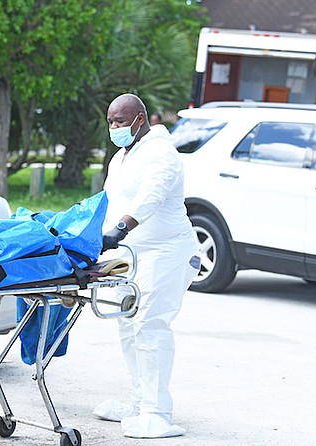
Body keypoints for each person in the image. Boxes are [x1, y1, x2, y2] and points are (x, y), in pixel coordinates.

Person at [94, 93, 200, 438]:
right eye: (110, 122)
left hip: (167, 252)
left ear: (140, 120)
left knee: (150, 326)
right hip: (133, 255)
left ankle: (158, 414)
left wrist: (121, 228)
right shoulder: (122, 156)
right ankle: (139, 403)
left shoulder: (161, 153)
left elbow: (150, 196)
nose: (114, 128)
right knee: (128, 325)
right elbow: (112, 200)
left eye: (120, 122)